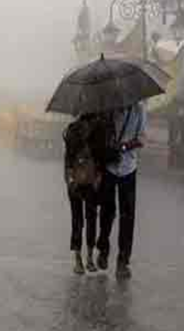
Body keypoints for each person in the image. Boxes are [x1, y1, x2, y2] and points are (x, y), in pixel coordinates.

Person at [96, 102, 146, 280]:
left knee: (127, 216)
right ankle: (103, 249)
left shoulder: (139, 110)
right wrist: (108, 143)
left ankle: (123, 261)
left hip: (128, 168)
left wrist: (124, 146)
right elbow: (100, 135)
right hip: (109, 167)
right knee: (106, 212)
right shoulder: (108, 108)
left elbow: (141, 139)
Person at [63, 112, 104, 274]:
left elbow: (100, 158)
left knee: (84, 218)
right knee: (84, 218)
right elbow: (69, 158)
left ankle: (84, 258)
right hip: (82, 180)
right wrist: (71, 179)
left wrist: (97, 177)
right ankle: (83, 258)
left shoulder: (94, 131)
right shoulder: (77, 130)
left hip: (84, 180)